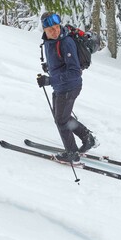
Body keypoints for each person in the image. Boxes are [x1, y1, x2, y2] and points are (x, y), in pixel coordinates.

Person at [36, 12, 98, 163]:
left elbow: (74, 72)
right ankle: (87, 138)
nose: (55, 31)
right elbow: (59, 60)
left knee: (61, 121)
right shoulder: (49, 42)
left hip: (69, 87)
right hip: (61, 86)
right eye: (51, 29)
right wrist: (49, 67)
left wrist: (50, 80)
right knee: (62, 117)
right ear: (44, 30)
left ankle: (72, 154)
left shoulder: (66, 42)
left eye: (57, 27)